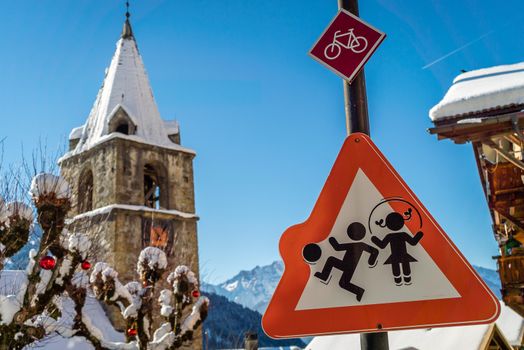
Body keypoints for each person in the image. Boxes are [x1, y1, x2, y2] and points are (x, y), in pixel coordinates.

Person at [314, 222, 378, 302]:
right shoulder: (361, 244)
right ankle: (359, 291)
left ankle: (324, 276)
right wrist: (371, 260)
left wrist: (332, 240)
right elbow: (337, 247)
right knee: (343, 283)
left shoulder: (359, 245)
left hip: (347, 265)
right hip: (350, 266)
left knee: (331, 261)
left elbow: (337, 247)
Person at [371, 211, 423, 286]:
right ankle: (405, 280)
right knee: (403, 267)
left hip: (395, 256)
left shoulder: (390, 236)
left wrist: (374, 239)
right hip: (403, 255)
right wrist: (420, 234)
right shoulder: (403, 234)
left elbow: (382, 245)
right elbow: (413, 242)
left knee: (398, 267)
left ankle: (399, 280)